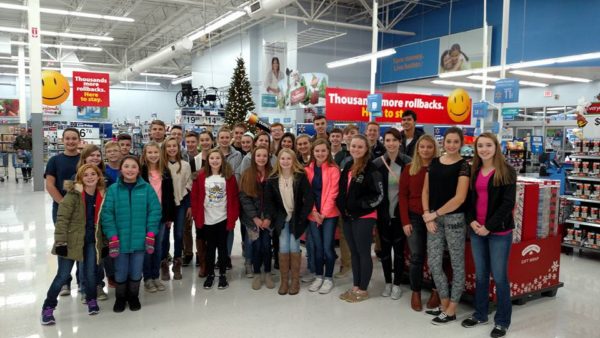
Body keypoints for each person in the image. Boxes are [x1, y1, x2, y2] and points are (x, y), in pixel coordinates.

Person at [462, 133, 516, 338]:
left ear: (496, 147)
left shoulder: (507, 171)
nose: (484, 149)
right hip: (477, 230)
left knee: (500, 277)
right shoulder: (474, 171)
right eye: (480, 146)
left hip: (499, 232)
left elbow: (507, 204)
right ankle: (480, 313)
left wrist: (489, 227)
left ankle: (502, 321)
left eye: (488, 145)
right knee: (481, 274)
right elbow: (468, 201)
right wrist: (472, 221)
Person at [40, 164, 106, 325]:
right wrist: (60, 241)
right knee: (63, 275)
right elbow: (62, 219)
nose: (90, 177)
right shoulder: (73, 195)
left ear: (98, 177)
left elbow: (104, 222)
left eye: (93, 174)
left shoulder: (102, 196)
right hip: (70, 241)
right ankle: (48, 307)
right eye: (86, 175)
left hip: (91, 241)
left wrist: (104, 243)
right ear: (80, 179)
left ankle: (91, 299)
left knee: (90, 273)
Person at [422, 127, 470, 325]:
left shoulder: (464, 166)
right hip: (433, 219)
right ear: (443, 142)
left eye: (455, 142)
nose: (451, 145)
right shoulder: (433, 163)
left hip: (454, 220)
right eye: (448, 141)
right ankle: (444, 304)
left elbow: (459, 198)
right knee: (433, 262)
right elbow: (426, 191)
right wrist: (427, 215)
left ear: (461, 144)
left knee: (457, 265)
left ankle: (452, 309)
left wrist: (434, 214)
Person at [101, 155, 161, 313]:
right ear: (121, 169)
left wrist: (150, 232)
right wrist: (112, 235)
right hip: (119, 241)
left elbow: (155, 211)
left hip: (141, 240)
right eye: (126, 166)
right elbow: (107, 214)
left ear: (139, 170)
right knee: (120, 271)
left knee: (136, 269)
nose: (130, 170)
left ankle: (133, 296)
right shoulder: (113, 189)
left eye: (133, 167)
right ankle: (120, 297)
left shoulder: (147, 188)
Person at [337, 135, 384, 303]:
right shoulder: (348, 165)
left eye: (360, 147)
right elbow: (343, 190)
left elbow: (379, 195)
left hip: (364, 216)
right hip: (348, 216)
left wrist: (361, 206)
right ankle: (356, 285)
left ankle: (363, 289)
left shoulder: (371, 169)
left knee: (363, 252)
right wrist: (342, 206)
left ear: (366, 149)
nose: (356, 149)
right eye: (353, 146)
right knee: (354, 252)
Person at [265, 148, 314, 295]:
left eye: (288, 159)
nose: (285, 161)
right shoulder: (272, 178)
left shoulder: (300, 176)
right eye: (282, 159)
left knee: (294, 246)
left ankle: (295, 281)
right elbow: (269, 202)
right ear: (278, 161)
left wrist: (302, 217)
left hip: (296, 219)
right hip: (281, 219)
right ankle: (284, 281)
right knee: (283, 247)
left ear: (293, 161)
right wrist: (274, 216)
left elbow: (309, 198)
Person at [399, 135, 440, 312]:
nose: (425, 150)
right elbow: (402, 196)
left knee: (435, 257)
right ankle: (415, 292)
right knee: (416, 256)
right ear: (417, 149)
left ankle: (436, 290)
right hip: (414, 217)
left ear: (434, 149)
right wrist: (405, 221)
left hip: (435, 217)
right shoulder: (409, 169)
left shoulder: (439, 168)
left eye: (429, 147)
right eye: (422, 147)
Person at [191, 149, 240, 290]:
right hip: (207, 219)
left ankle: (223, 274)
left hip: (223, 218)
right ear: (208, 160)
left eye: (217, 158)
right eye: (212, 158)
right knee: (210, 248)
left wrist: (234, 216)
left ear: (222, 160)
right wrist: (196, 215)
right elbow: (195, 197)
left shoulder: (229, 177)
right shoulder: (201, 177)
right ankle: (210, 274)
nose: (214, 160)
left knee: (223, 247)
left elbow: (234, 198)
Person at [373, 129, 412, 300]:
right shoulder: (377, 163)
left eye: (394, 140)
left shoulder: (408, 163)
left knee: (399, 250)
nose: (390, 143)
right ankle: (388, 282)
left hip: (401, 214)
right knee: (385, 251)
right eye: (387, 140)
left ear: (400, 142)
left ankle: (397, 284)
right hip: (383, 214)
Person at [45, 127, 81, 296]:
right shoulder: (55, 160)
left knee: (82, 241)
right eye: (67, 138)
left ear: (79, 140)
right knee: (64, 242)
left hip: (82, 209)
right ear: (62, 140)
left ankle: (83, 280)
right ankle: (65, 281)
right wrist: (62, 204)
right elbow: (50, 185)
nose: (71, 141)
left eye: (74, 138)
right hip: (61, 209)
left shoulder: (84, 159)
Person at [304, 139, 340, 295]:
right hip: (313, 215)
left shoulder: (333, 169)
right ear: (313, 152)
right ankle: (319, 276)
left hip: (329, 215)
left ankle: (329, 278)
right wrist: (313, 212)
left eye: (323, 151)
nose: (320, 154)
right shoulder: (307, 170)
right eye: (317, 151)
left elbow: (333, 193)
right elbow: (306, 194)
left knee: (327, 248)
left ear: (328, 151)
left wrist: (323, 214)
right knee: (317, 248)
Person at [76, 144, 110, 301]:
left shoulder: (103, 177)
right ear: (84, 157)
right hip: (83, 226)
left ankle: (98, 286)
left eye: (98, 155)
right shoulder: (77, 177)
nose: (95, 158)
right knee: (84, 259)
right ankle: (84, 288)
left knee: (99, 258)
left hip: (99, 226)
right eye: (92, 155)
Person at [140, 142, 175, 293]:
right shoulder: (141, 172)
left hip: (161, 216)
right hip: (144, 216)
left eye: (156, 152)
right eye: (150, 152)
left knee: (158, 247)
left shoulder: (165, 171)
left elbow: (169, 195)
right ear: (145, 154)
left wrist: (169, 216)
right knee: (147, 247)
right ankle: (147, 278)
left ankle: (155, 276)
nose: (153, 155)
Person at [239, 146, 274, 289]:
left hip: (268, 220)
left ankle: (268, 272)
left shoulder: (272, 174)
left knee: (266, 246)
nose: (261, 158)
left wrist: (268, 218)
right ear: (254, 158)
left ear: (268, 158)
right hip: (252, 220)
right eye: (258, 155)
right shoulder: (247, 174)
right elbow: (244, 198)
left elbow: (274, 199)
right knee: (256, 246)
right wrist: (255, 217)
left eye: (264, 156)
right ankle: (257, 273)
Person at [160, 137, 192, 280]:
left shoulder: (185, 165)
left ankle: (177, 261)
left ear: (178, 148)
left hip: (181, 203)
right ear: (165, 149)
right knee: (164, 235)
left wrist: (189, 204)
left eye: (175, 146)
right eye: (169, 146)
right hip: (166, 204)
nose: (172, 148)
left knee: (179, 233)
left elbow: (189, 183)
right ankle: (164, 263)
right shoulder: (161, 165)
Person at [216, 127, 242, 269]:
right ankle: (219, 256)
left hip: (231, 195)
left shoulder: (237, 155)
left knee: (229, 227)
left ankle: (226, 256)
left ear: (230, 138)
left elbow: (237, 175)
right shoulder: (214, 153)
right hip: (216, 197)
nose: (224, 140)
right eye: (222, 137)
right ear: (218, 139)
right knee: (217, 228)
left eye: (227, 137)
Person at [182, 131, 202, 267]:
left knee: (200, 226)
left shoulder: (202, 157)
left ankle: (200, 253)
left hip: (201, 197)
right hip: (186, 196)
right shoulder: (182, 157)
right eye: (188, 142)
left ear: (198, 142)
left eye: (193, 142)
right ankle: (187, 253)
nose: (190, 144)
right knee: (186, 227)